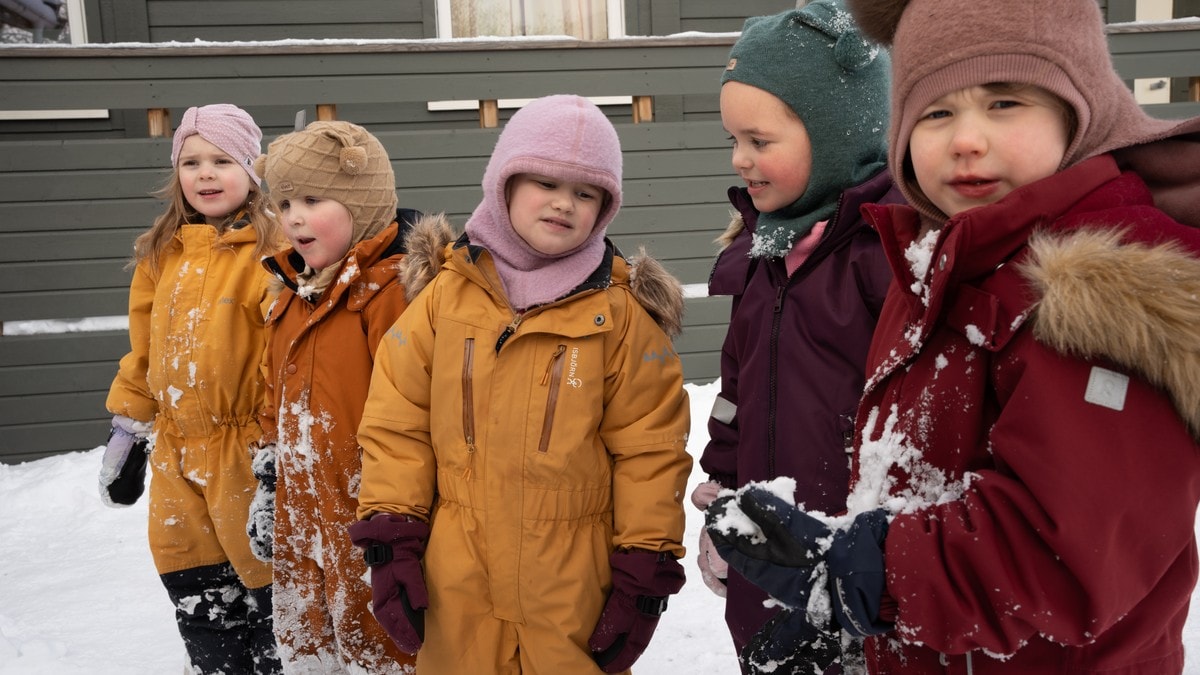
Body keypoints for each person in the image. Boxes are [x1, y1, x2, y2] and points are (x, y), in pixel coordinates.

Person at [706, 0, 1200, 672]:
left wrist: (861, 578)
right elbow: (914, 484)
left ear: (1080, 109)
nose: (966, 139)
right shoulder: (942, 268)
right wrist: (862, 625)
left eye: (1004, 102)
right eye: (936, 112)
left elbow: (1056, 549)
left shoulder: (1104, 297)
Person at [349, 94, 693, 674]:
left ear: (606, 208)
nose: (565, 204)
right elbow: (397, 421)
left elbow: (650, 450)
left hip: (571, 583)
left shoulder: (621, 318)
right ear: (503, 183)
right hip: (456, 574)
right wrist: (393, 530)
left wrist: (644, 563)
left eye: (586, 193)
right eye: (546, 183)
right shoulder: (443, 299)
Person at [691, 2, 899, 671]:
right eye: (733, 141)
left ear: (836, 131)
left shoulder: (888, 256)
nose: (739, 160)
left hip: (858, 568)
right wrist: (722, 497)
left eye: (759, 141)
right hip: (766, 552)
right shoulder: (761, 257)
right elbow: (736, 393)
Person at [100, 103, 285, 675]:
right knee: (198, 594)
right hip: (177, 456)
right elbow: (144, 352)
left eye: (222, 160)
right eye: (192, 161)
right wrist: (129, 429)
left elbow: (286, 355)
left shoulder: (273, 248)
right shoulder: (162, 252)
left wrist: (277, 449)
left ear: (253, 169)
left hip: (244, 454)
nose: (205, 174)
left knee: (269, 600)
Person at [246, 120, 430, 673]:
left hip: (373, 532)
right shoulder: (292, 294)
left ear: (364, 201)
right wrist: (269, 478)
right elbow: (273, 400)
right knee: (309, 655)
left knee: (383, 655)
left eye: (312, 198)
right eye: (283, 201)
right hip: (305, 530)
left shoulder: (394, 296)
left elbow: (421, 418)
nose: (293, 216)